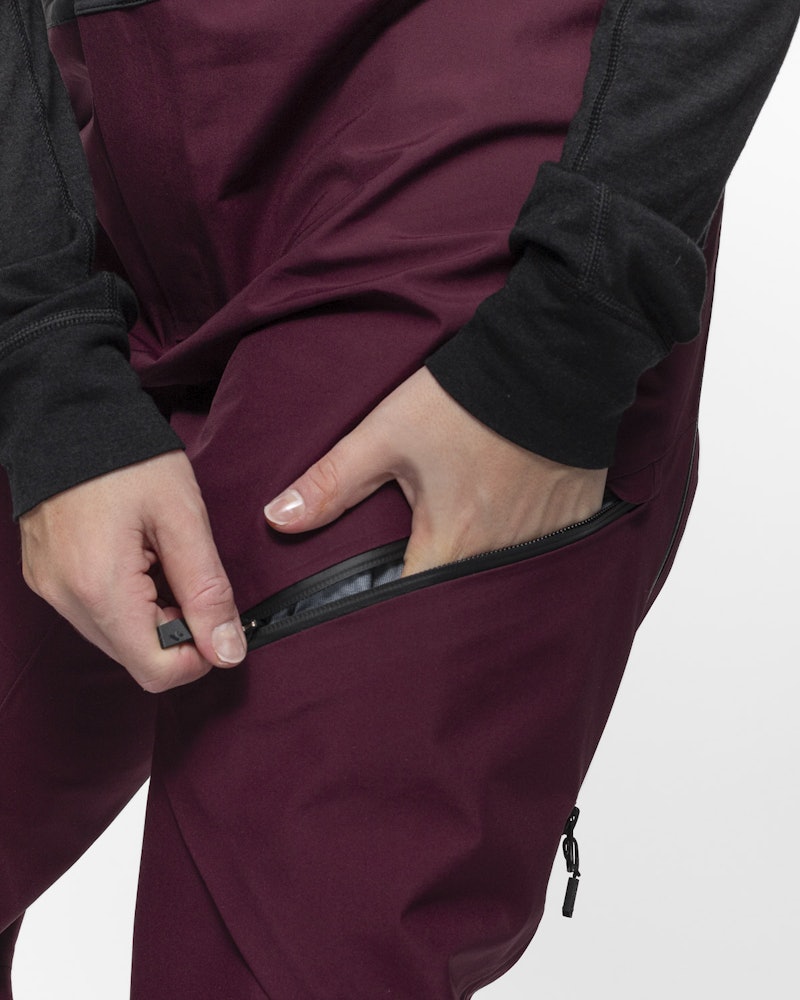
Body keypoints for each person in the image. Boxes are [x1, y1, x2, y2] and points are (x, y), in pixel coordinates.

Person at [1, 1, 798, 997]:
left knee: (285, 938)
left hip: (478, 142)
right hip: (85, 129)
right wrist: (43, 355)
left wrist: (566, 330)